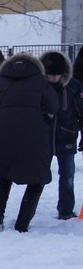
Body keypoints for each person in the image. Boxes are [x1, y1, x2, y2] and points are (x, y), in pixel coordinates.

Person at [0, 53, 58, 232]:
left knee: (5, 174)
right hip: (33, 131)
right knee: (37, 178)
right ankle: (22, 225)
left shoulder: (0, 80)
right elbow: (53, 106)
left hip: (3, 130)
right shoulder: (40, 80)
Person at [40, 51, 83, 220]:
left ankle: (65, 209)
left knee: (67, 175)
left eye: (57, 75)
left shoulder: (74, 87)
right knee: (39, 175)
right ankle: (29, 208)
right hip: (43, 137)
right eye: (50, 75)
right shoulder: (37, 86)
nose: (54, 79)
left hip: (67, 135)